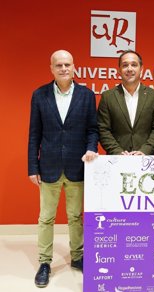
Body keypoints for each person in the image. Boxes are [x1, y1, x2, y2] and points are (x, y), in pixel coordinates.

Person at [28, 50, 99, 288]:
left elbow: (92, 129)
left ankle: (77, 257)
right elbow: (34, 134)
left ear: (74, 66)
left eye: (67, 64)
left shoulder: (87, 95)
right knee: (46, 217)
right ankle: (45, 262)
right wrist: (32, 166)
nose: (64, 68)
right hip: (48, 166)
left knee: (76, 217)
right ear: (51, 68)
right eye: (59, 65)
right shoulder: (39, 95)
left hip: (77, 166)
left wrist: (91, 149)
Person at [97, 50, 154, 155]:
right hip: (116, 160)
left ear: (141, 69)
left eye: (134, 65)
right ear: (119, 70)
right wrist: (117, 152)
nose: (129, 69)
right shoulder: (107, 97)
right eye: (125, 65)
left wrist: (145, 150)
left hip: (145, 160)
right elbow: (103, 129)